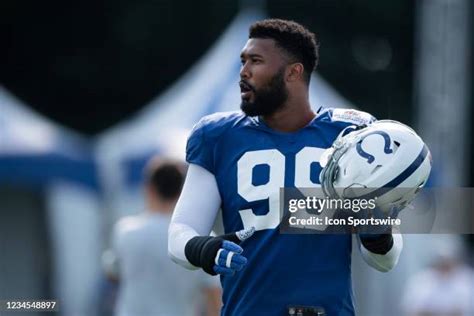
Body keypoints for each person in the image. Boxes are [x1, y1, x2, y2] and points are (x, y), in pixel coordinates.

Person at [168, 19, 402, 315]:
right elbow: (180, 233)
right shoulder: (218, 136)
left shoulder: (352, 135)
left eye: (256, 61)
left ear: (294, 72)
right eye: (243, 61)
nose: (243, 72)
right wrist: (204, 248)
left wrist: (377, 233)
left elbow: (386, 259)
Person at [105, 157, 221, 316]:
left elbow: (113, 272)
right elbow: (214, 298)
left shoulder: (125, 231)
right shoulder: (202, 238)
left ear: (149, 188)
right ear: (182, 191)